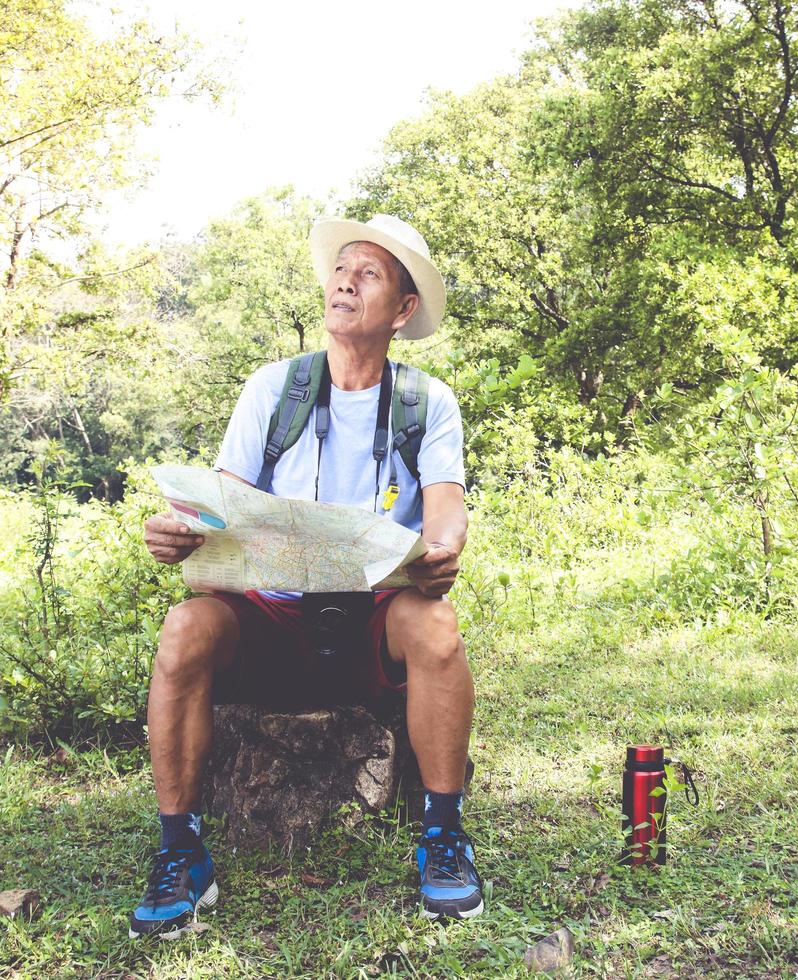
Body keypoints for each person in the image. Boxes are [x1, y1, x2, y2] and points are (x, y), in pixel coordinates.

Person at [128, 214, 482, 937]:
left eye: (370, 273)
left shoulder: (425, 402)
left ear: (403, 309)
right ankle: (180, 851)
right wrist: (182, 534)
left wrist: (440, 550)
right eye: (341, 268)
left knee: (437, 625)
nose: (346, 280)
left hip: (376, 617)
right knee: (185, 626)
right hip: (274, 614)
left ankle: (443, 838)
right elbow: (222, 506)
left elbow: (446, 508)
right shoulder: (275, 390)